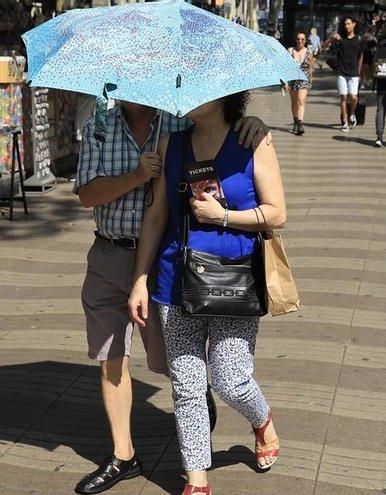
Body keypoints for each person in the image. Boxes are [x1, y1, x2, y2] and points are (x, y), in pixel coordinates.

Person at [73, 102, 268, 495]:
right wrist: (137, 175)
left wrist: (252, 122)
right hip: (110, 255)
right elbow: (87, 194)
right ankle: (125, 456)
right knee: (112, 359)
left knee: (174, 367)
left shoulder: (181, 121)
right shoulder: (98, 124)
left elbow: (222, 130)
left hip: (172, 262)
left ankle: (206, 402)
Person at [128, 91, 284, 495]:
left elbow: (277, 212)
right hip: (174, 280)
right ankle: (196, 478)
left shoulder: (253, 140)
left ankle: (262, 419)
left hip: (235, 278)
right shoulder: (173, 144)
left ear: (222, 96)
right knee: (187, 384)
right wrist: (140, 280)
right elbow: (157, 215)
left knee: (232, 380)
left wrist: (224, 216)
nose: (184, 97)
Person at [322, 16, 363, 131]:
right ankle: (345, 122)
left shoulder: (359, 39)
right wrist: (331, 38)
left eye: (349, 24)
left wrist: (360, 72)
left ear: (354, 24)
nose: (346, 26)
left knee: (353, 97)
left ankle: (352, 113)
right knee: (343, 97)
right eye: (345, 24)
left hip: (354, 73)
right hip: (342, 72)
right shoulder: (340, 39)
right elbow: (323, 47)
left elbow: (361, 57)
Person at [287, 31, 313, 136]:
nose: (300, 41)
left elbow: (310, 67)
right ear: (296, 40)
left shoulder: (309, 52)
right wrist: (284, 81)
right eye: (298, 39)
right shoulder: (290, 50)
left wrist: (311, 80)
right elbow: (287, 66)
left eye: (302, 39)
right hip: (293, 79)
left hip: (304, 79)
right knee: (294, 102)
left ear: (305, 41)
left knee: (301, 101)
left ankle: (300, 124)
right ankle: (295, 121)